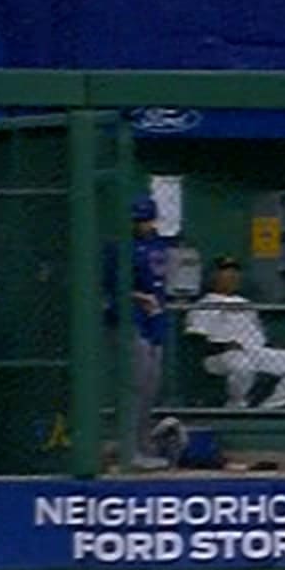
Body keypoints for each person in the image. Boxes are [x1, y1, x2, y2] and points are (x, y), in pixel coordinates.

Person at [183, 257, 285, 408]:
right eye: (226, 272)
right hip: (220, 356)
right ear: (214, 277)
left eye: (235, 272)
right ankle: (236, 405)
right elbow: (196, 340)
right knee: (242, 365)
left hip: (255, 353)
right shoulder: (204, 304)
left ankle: (270, 407)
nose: (233, 276)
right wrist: (224, 346)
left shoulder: (245, 303)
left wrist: (271, 347)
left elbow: (258, 334)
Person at [122, 198, 175, 469]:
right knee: (136, 387)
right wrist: (137, 296)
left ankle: (144, 447)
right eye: (137, 221)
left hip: (156, 322)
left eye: (144, 220)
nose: (141, 225)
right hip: (132, 320)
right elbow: (108, 287)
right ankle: (130, 450)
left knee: (150, 389)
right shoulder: (121, 247)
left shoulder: (159, 245)